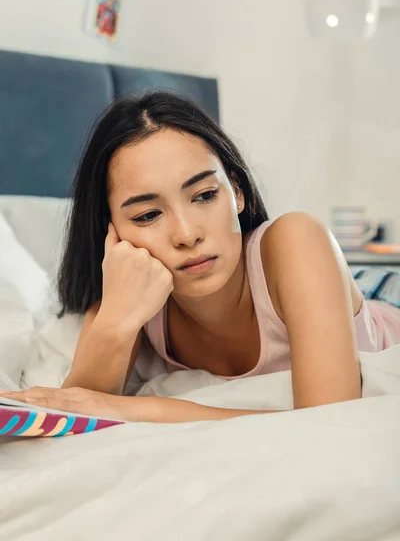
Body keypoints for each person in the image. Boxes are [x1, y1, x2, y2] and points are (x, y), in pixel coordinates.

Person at [2, 92, 399, 422]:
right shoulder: (130, 300)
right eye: (147, 215)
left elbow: (329, 423)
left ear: (237, 192)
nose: (187, 234)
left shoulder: (296, 239)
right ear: (113, 231)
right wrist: (116, 323)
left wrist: (140, 410)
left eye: (205, 195)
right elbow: (78, 409)